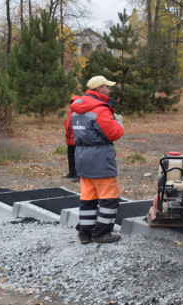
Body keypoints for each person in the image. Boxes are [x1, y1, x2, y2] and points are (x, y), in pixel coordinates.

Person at [71, 76, 124, 244]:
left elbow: (70, 131)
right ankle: (101, 233)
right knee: (110, 196)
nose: (109, 90)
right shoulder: (101, 109)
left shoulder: (76, 108)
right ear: (99, 88)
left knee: (88, 197)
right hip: (100, 158)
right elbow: (113, 133)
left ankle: (85, 233)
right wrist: (119, 124)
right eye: (107, 87)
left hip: (81, 156)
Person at [63, 96, 79, 181]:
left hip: (76, 138)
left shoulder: (80, 112)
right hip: (69, 138)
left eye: (74, 102)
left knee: (78, 158)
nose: (73, 104)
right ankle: (71, 173)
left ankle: (78, 175)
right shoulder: (70, 112)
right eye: (72, 102)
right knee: (70, 156)